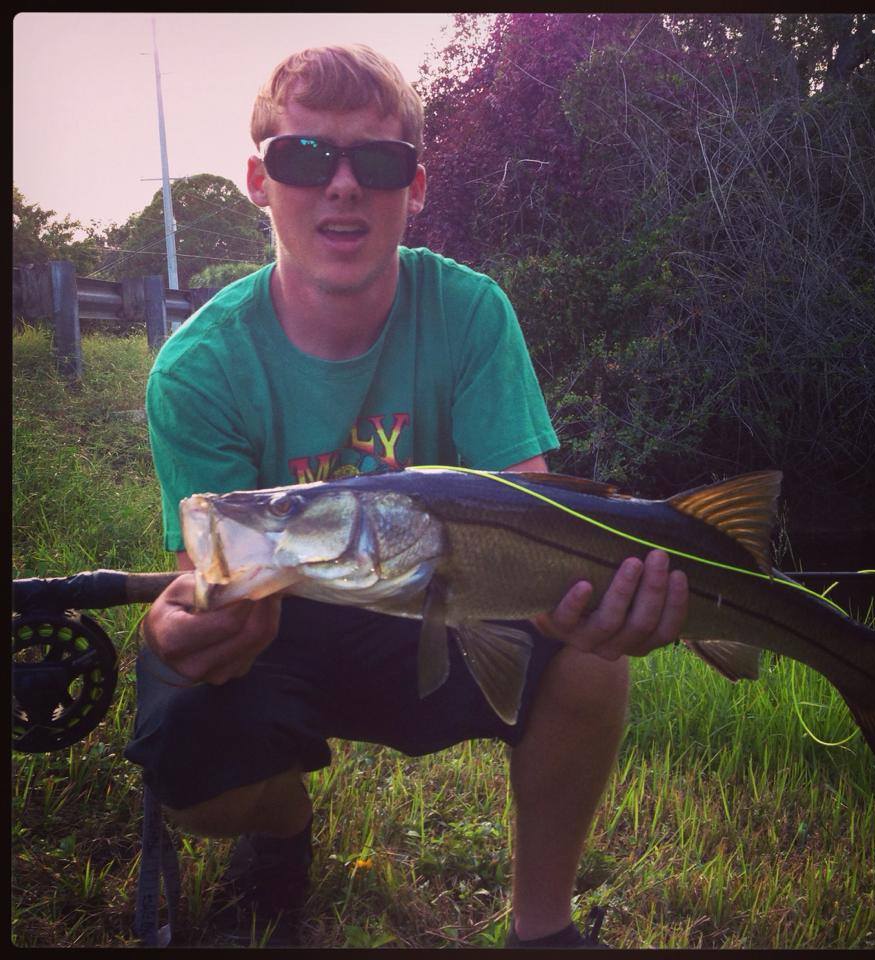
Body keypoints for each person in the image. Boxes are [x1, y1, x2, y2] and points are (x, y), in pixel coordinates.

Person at [125, 44, 689, 949]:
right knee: (194, 758)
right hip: (287, 624)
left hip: (447, 605)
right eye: (305, 157)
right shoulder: (197, 371)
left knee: (589, 651)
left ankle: (543, 929)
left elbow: (533, 533)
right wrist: (183, 631)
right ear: (258, 181)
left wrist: (588, 607)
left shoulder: (470, 311)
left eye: (376, 162)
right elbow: (209, 574)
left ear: (416, 186)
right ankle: (280, 824)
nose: (343, 185)